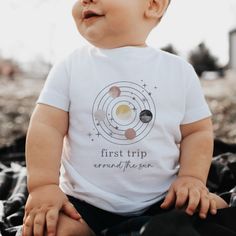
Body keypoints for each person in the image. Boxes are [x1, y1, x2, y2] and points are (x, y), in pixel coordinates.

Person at [22, 0, 228, 235]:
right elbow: (46, 126)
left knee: (214, 211)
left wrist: (192, 177)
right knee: (48, 229)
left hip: (163, 201)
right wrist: (43, 186)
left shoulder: (179, 71)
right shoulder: (69, 67)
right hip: (83, 205)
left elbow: (197, 131)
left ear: (153, 5)